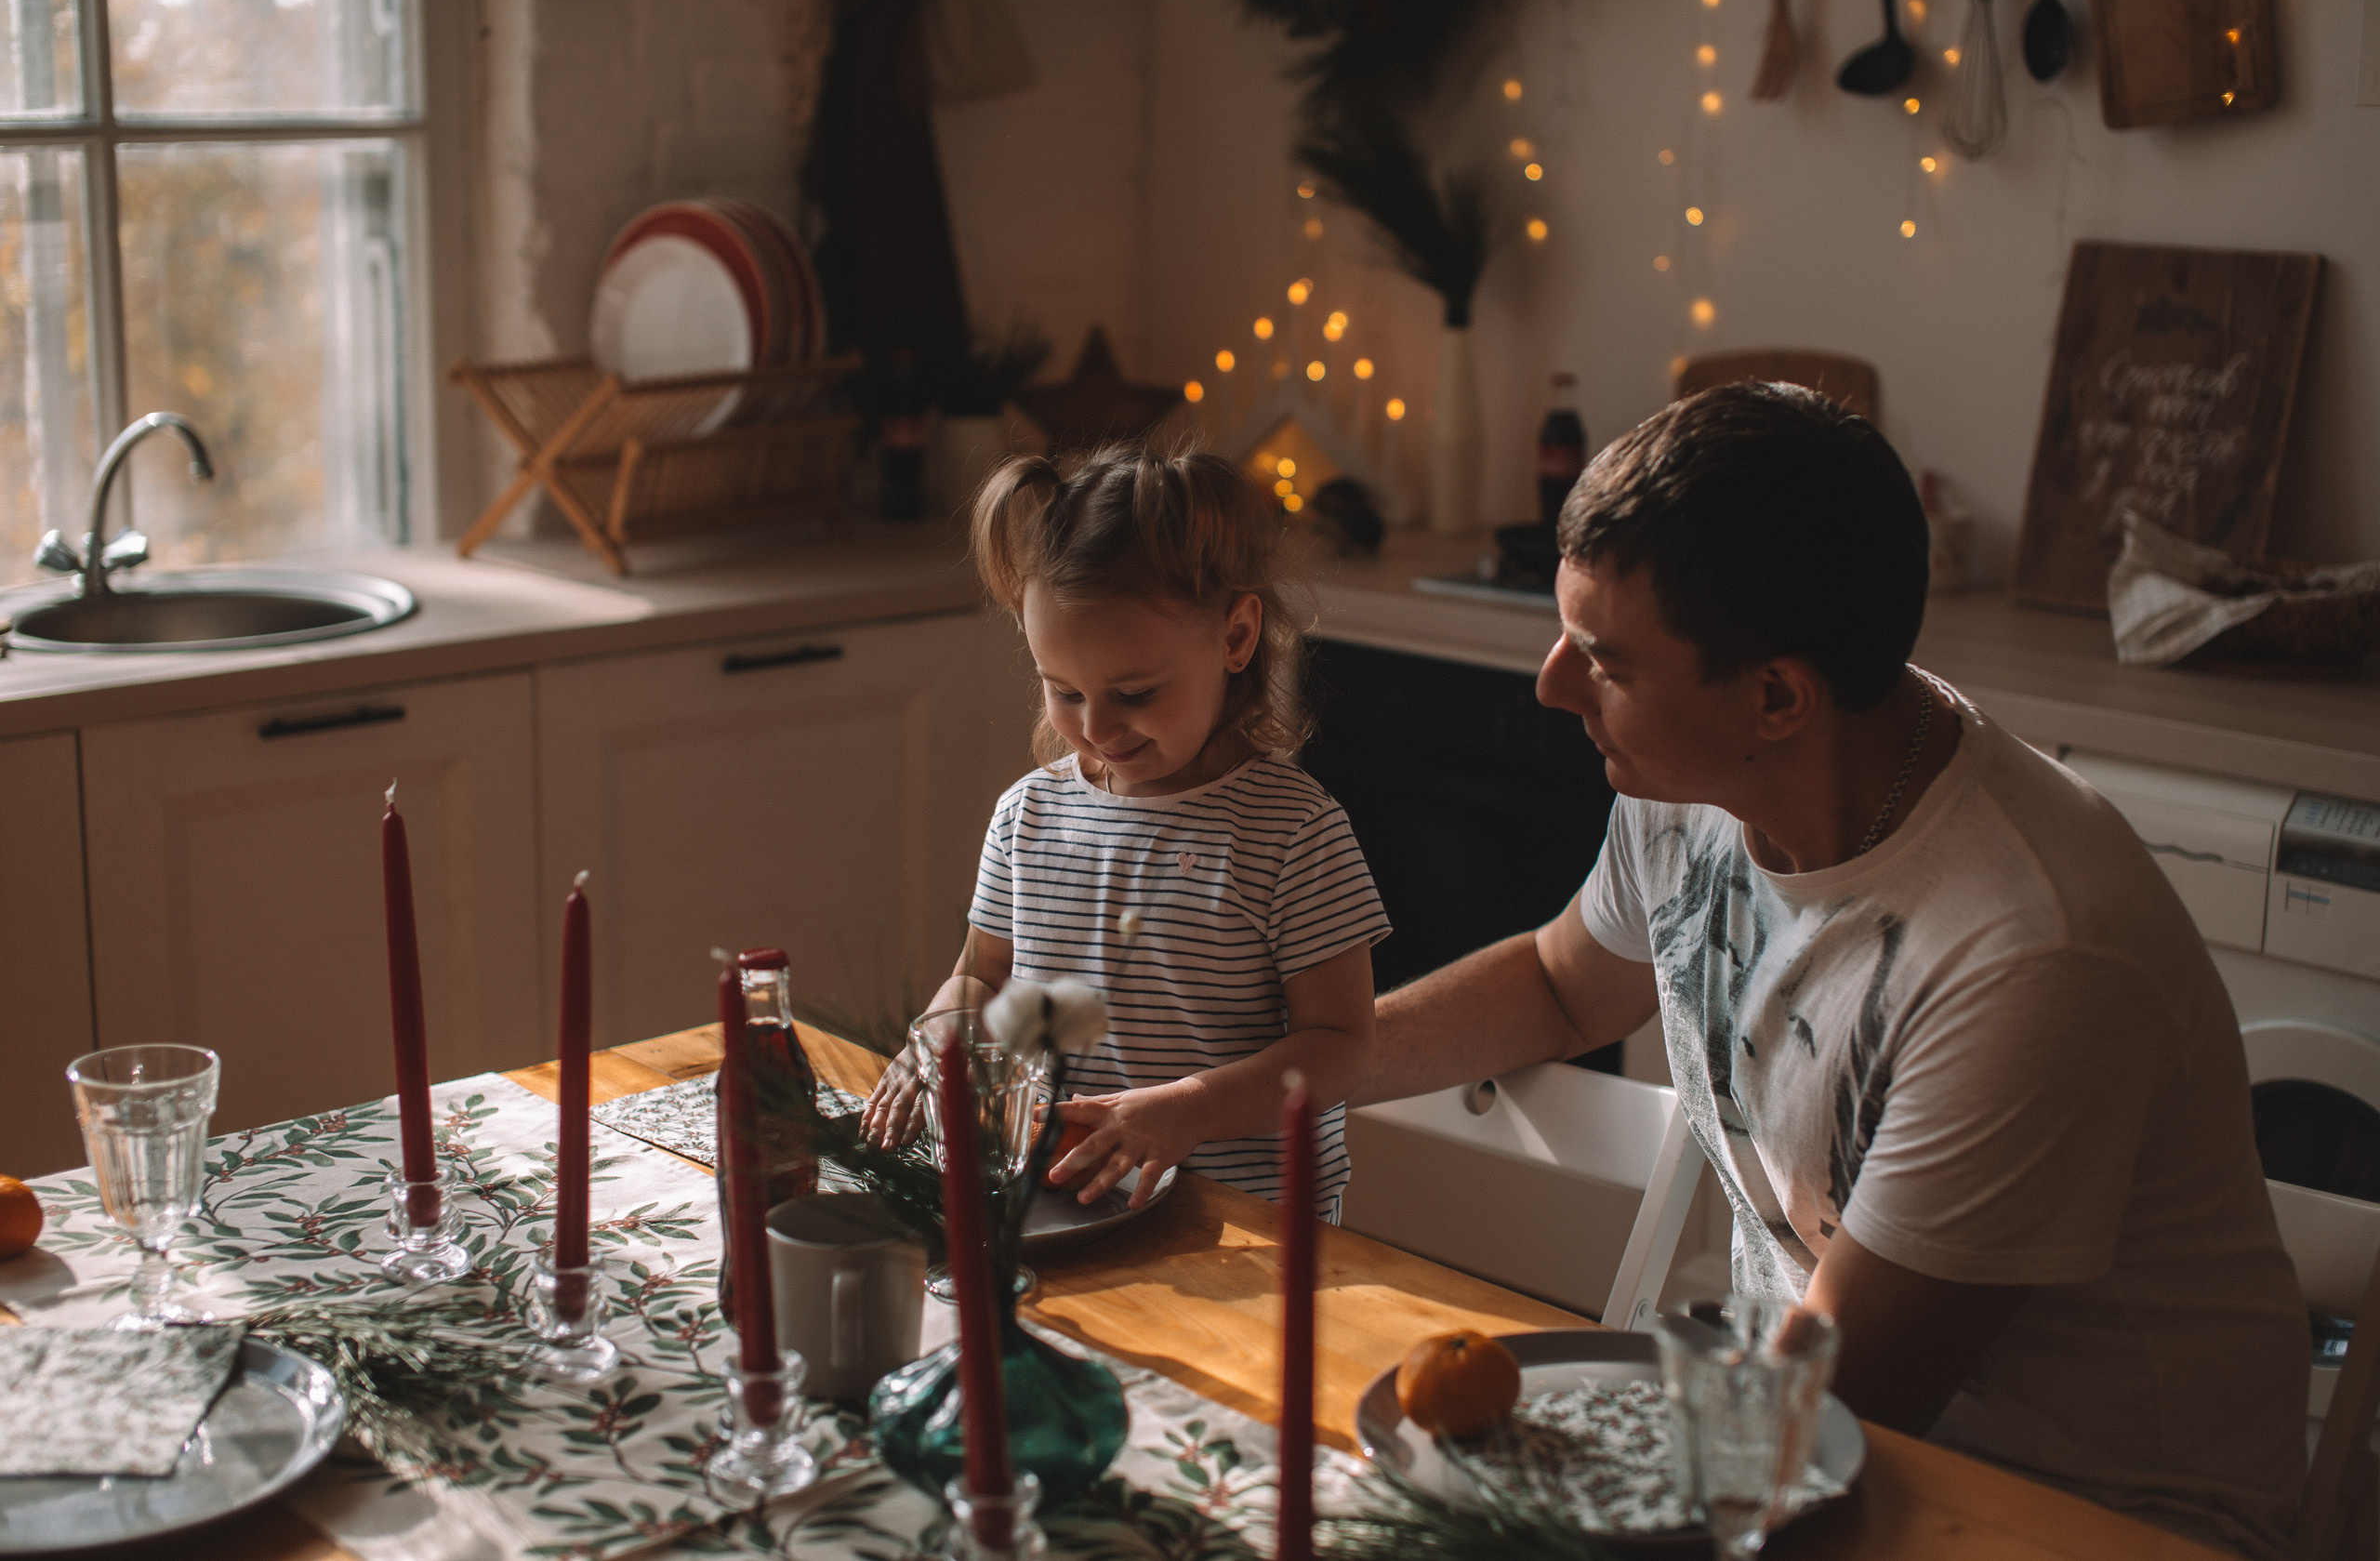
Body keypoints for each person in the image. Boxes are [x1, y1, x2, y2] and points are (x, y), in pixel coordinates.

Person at [1353, 382, 2307, 1558]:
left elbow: (1841, 1403)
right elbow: (1560, 988)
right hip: (1801, 1435)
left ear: (1775, 697)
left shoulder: (2031, 951)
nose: (1551, 684)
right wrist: (1262, 1078)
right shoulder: (1697, 784)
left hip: (2084, 1514)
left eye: (1602, 660)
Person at [863, 443, 1389, 1221]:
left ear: (1236, 637)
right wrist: (938, 1034)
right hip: (1065, 1203)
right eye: (1064, 691)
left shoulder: (1293, 832)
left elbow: (1342, 1046)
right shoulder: (1026, 817)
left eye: (1135, 693)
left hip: (1243, 1228)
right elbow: (981, 977)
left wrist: (1191, 1108)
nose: (1098, 727)